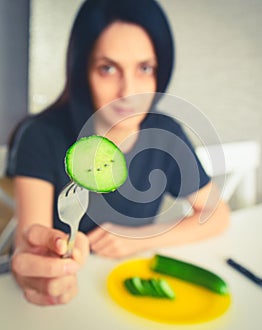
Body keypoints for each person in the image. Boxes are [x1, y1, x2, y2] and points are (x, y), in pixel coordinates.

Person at [6, 0, 230, 306]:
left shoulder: (167, 135)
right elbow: (28, 243)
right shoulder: (41, 135)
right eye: (108, 68)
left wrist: (136, 239)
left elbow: (217, 215)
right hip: (74, 292)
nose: (129, 92)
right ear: (83, 70)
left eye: (144, 68)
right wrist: (36, 269)